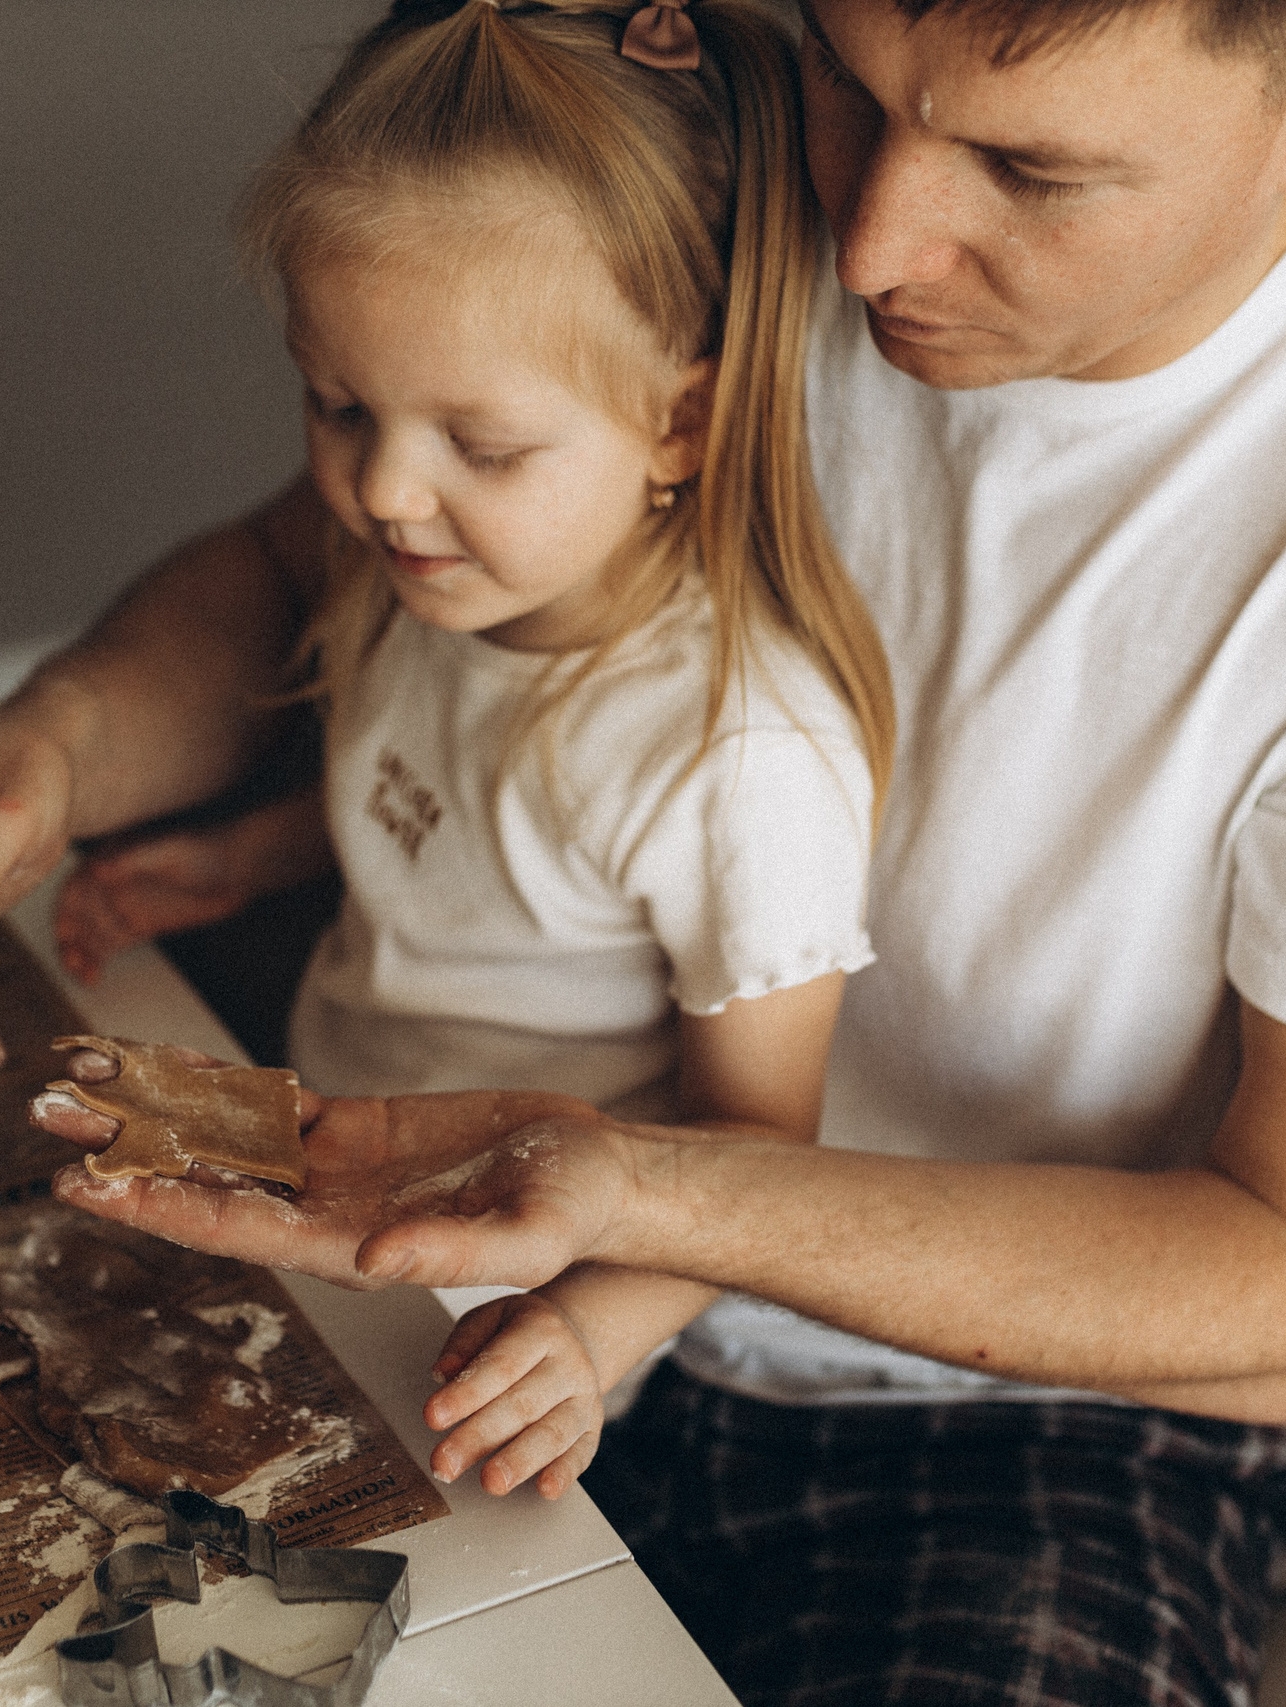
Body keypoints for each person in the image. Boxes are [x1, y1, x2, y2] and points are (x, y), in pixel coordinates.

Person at [0, 0, 1286, 1700]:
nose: (864, 249)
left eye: (1031, 171)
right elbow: (328, 555)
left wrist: (642, 1207)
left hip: (1005, 1428)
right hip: (499, 1265)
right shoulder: (717, 129)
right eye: (858, 85)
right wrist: (55, 742)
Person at [58, 0, 896, 1502]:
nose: (384, 490)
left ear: (681, 423)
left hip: (504, 1317)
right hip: (317, 1160)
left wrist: (586, 1335)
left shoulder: (737, 758)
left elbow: (758, 1155)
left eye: (483, 446)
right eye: (339, 405)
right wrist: (250, 857)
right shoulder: (443, 582)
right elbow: (461, 820)